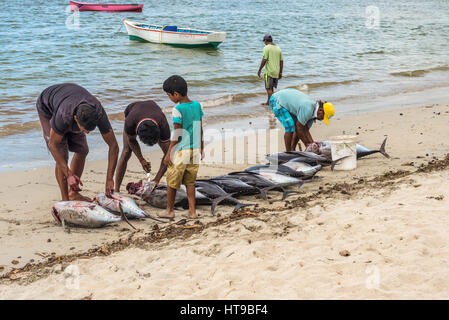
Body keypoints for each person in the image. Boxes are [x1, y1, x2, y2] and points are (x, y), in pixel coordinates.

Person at [36, 83, 119, 201]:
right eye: (85, 130)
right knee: (62, 155)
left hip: (70, 100)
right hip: (47, 106)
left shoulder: (98, 112)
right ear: (76, 119)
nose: (87, 133)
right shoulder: (64, 115)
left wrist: (110, 178)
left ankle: (73, 194)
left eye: (90, 130)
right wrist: (68, 174)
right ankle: (65, 200)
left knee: (82, 150)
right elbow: (53, 145)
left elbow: (113, 146)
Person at [158, 75, 204, 220]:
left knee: (172, 182)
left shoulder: (177, 109)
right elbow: (200, 127)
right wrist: (201, 146)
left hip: (181, 150)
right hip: (195, 149)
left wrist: (168, 153)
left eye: (169, 95)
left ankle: (169, 210)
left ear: (176, 94)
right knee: (190, 182)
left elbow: (177, 133)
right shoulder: (197, 105)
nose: (169, 97)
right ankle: (192, 212)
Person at [115, 100, 171, 192]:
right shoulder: (130, 123)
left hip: (154, 110)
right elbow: (132, 141)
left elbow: (168, 154)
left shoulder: (163, 124)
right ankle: (116, 190)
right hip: (132, 110)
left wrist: (156, 180)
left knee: (168, 153)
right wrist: (141, 159)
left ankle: (155, 181)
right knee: (126, 152)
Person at [269, 88, 335, 151]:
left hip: (286, 102)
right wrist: (308, 145)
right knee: (290, 127)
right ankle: (288, 152)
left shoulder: (312, 115)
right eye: (323, 117)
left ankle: (292, 149)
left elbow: (305, 130)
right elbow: (299, 128)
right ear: (320, 110)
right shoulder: (308, 108)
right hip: (275, 100)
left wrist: (313, 144)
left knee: (298, 127)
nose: (322, 119)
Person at [257, 34, 283, 105]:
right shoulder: (278, 48)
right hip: (276, 72)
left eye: (264, 41)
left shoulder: (266, 47)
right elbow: (281, 61)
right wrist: (280, 72)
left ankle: (270, 103)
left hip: (269, 72)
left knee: (268, 88)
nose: (264, 43)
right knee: (271, 88)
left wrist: (259, 70)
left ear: (265, 41)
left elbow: (264, 59)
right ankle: (269, 102)